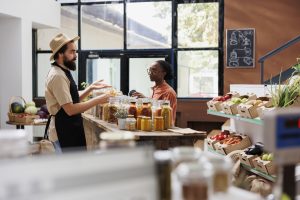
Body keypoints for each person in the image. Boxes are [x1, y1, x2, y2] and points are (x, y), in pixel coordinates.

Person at [45, 33, 111, 152]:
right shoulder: (58, 76)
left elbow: (70, 100)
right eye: (72, 52)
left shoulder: (63, 71)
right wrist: (98, 100)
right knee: (69, 169)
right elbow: (70, 109)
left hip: (69, 129)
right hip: (62, 131)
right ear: (60, 54)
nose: (75, 56)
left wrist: (90, 88)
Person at [131, 60, 177, 125]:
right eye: (149, 70)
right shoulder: (154, 89)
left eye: (154, 70)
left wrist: (147, 100)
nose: (150, 72)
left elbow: (166, 114)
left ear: (163, 73)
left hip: (162, 129)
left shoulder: (168, 92)